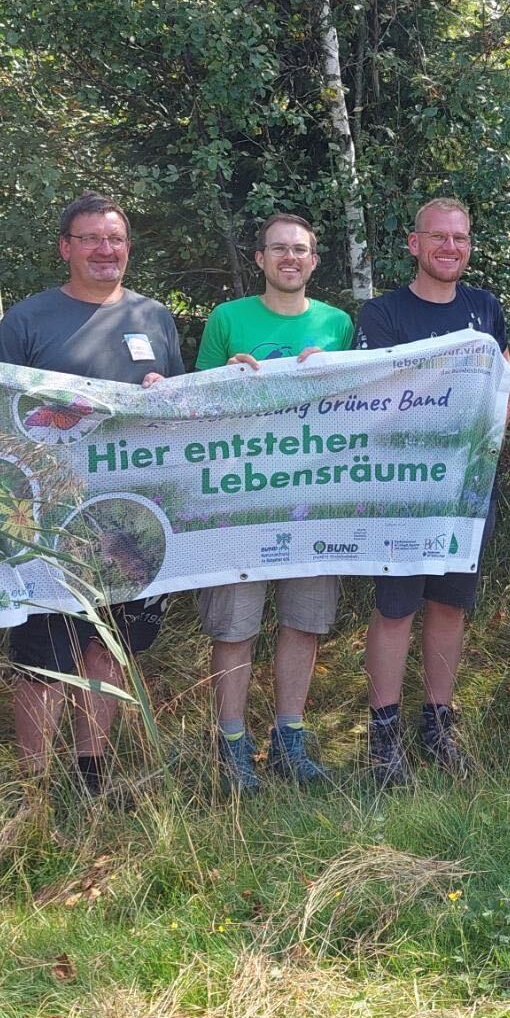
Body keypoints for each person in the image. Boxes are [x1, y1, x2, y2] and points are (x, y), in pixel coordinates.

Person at [0, 193, 186, 796]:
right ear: (65, 248)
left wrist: (161, 393)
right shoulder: (28, 319)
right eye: (92, 239)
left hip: (130, 517)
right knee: (46, 656)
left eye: (116, 239)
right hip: (49, 523)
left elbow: (178, 414)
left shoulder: (155, 317)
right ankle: (34, 788)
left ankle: (91, 776)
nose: (106, 250)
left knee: (109, 651)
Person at [351, 197, 509, 784]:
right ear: (414, 244)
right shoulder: (383, 314)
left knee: (450, 607)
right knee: (395, 611)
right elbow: (374, 404)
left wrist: (483, 451)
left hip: (465, 492)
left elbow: (501, 388)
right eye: (438, 237)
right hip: (401, 493)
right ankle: (383, 738)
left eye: (460, 238)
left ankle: (438, 727)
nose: (450, 248)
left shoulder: (485, 308)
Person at [194, 212, 353, 791]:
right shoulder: (227, 319)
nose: (291, 258)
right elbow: (192, 414)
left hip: (313, 501)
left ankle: (290, 740)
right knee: (234, 626)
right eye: (279, 249)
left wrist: (332, 375)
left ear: (314, 261)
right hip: (238, 502)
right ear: (260, 259)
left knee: (304, 623)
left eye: (301, 250)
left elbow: (360, 408)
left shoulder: (338, 325)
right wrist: (226, 379)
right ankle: (231, 746)